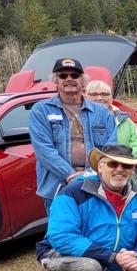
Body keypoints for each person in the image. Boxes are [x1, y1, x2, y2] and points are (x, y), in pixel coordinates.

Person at [28, 56, 116, 208]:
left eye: (74, 75)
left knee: (97, 223)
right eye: (63, 75)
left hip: (97, 184)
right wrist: (72, 176)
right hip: (57, 188)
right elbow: (44, 151)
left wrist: (89, 174)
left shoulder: (102, 113)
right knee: (63, 224)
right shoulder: (40, 110)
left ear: (83, 81)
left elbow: (111, 148)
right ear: (56, 81)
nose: (69, 79)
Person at [82, 80, 137, 159]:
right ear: (85, 96)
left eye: (105, 94)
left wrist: (121, 160)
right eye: (94, 94)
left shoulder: (126, 121)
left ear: (111, 97)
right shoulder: (80, 119)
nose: (100, 98)